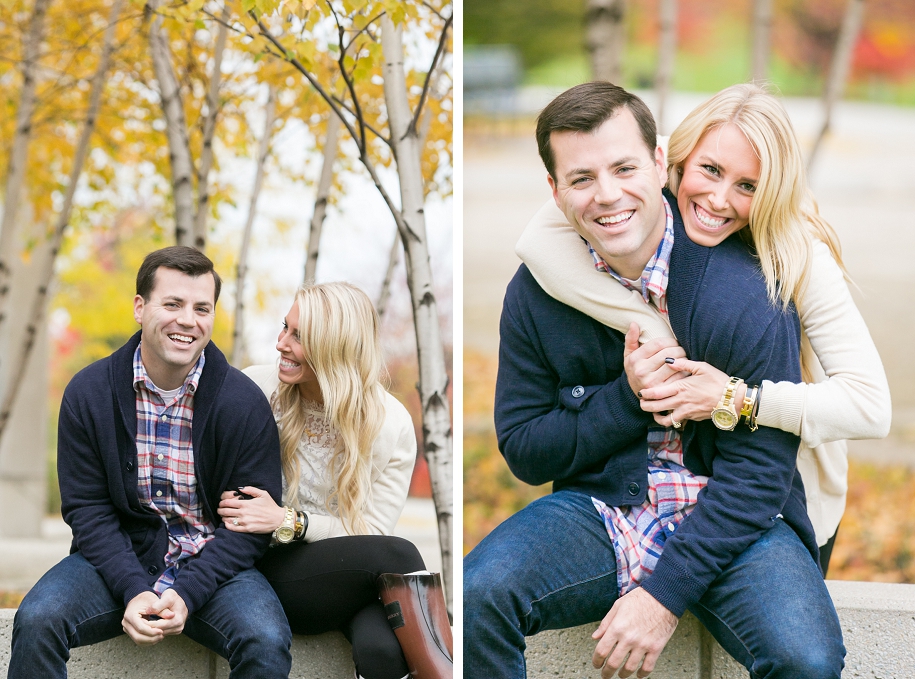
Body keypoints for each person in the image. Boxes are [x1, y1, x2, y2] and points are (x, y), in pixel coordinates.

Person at [463, 81, 846, 679]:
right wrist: (626, 399)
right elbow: (525, 449)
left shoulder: (744, 288)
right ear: (555, 191)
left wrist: (663, 597)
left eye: (624, 168)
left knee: (807, 658)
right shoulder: (536, 292)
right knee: (474, 597)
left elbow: (758, 477)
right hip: (602, 510)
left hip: (734, 520)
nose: (607, 194)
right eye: (581, 178)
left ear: (660, 163)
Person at [514, 82, 891, 572]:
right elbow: (538, 240)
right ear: (675, 160)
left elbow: (870, 408)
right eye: (710, 170)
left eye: (747, 186)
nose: (717, 199)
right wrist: (656, 334)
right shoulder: (636, 181)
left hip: (793, 483)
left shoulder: (800, 254)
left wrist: (739, 398)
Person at [9, 246, 292, 679]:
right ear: (140, 308)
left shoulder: (242, 404)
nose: (187, 320)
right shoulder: (89, 393)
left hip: (212, 566)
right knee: (37, 620)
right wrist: (133, 589)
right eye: (173, 304)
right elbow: (88, 511)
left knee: (266, 641)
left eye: (202, 308)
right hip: (116, 562)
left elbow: (248, 526)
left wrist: (189, 592)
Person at [217, 281, 452, 679]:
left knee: (384, 651)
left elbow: (372, 531)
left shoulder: (388, 423)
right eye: (284, 328)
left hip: (341, 575)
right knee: (399, 555)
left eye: (299, 337)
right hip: (261, 570)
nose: (280, 344)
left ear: (335, 346)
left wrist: (291, 522)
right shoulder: (256, 387)